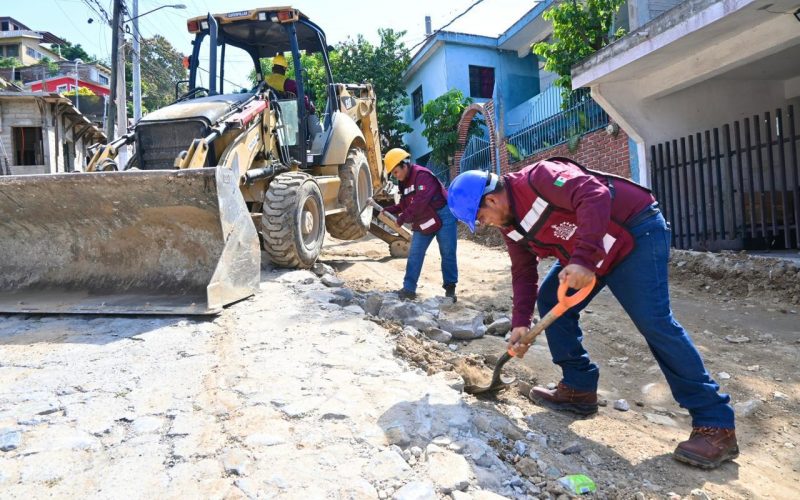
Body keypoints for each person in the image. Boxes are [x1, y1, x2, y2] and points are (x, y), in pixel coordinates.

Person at [447, 157, 737, 469]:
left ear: (491, 200)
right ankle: (578, 388)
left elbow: (594, 194)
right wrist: (520, 323)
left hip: (634, 232)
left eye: (482, 218)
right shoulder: (511, 227)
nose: (486, 224)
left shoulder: (542, 177)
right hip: (594, 249)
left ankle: (715, 424)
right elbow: (523, 272)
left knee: (654, 322)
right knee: (550, 298)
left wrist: (583, 260)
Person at [383, 148, 458, 301]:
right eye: (393, 174)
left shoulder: (422, 175)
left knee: (447, 252)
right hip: (424, 218)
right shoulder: (403, 183)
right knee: (415, 252)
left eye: (396, 172)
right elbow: (405, 204)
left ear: (404, 165)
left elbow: (419, 202)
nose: (396, 176)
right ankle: (409, 289)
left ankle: (450, 289)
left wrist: (402, 218)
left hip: (444, 215)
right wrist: (388, 210)